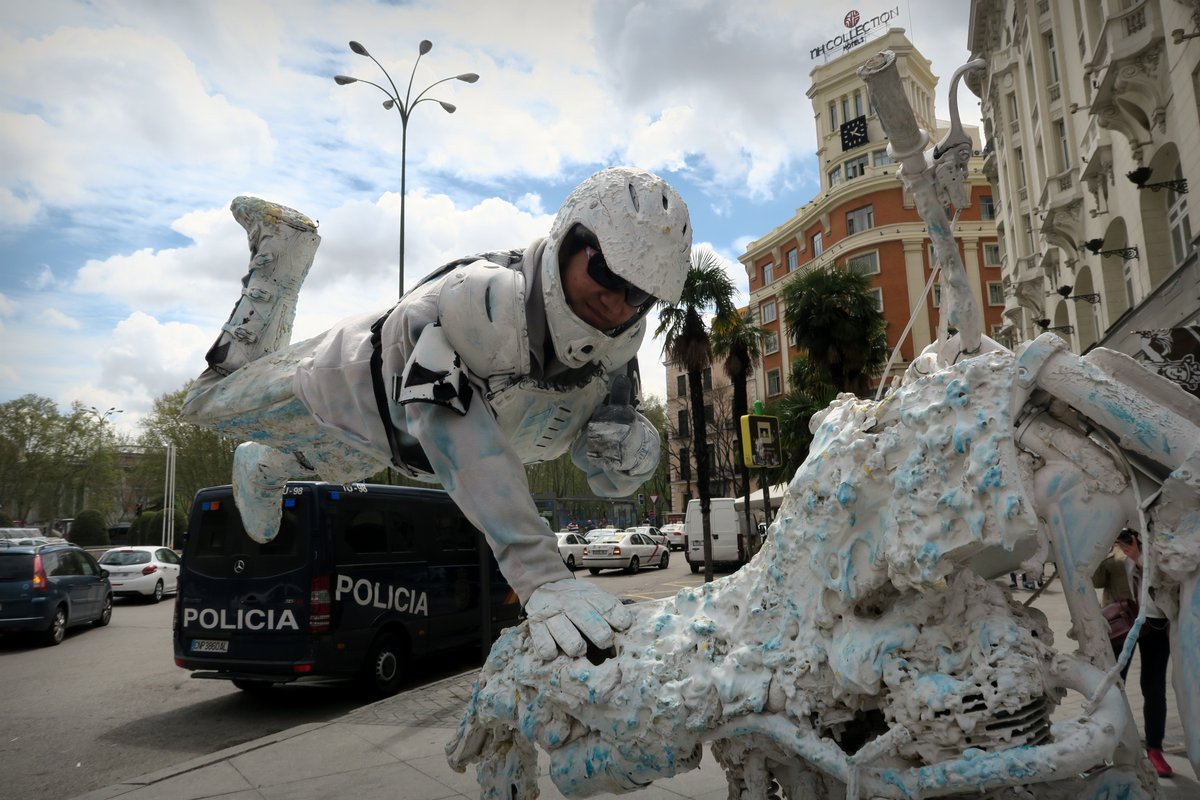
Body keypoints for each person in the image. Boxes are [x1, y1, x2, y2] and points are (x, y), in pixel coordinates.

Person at [181, 167, 692, 661]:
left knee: (344, 462)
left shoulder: (621, 346)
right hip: (348, 385)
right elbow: (462, 440)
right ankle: (279, 260)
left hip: (400, 448)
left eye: (639, 293)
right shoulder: (481, 302)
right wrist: (542, 575)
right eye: (605, 271)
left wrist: (625, 451)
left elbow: (602, 459)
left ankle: (270, 464)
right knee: (211, 400)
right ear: (569, 240)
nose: (617, 301)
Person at [1114, 528, 1175, 778]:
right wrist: (1108, 549)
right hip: (1121, 622)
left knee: (1154, 688)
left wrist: (1140, 558)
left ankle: (1154, 748)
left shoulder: (1159, 551)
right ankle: (1109, 743)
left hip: (1157, 624)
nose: (1128, 542)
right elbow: (1093, 579)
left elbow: (1168, 583)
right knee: (1114, 685)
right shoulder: (1114, 558)